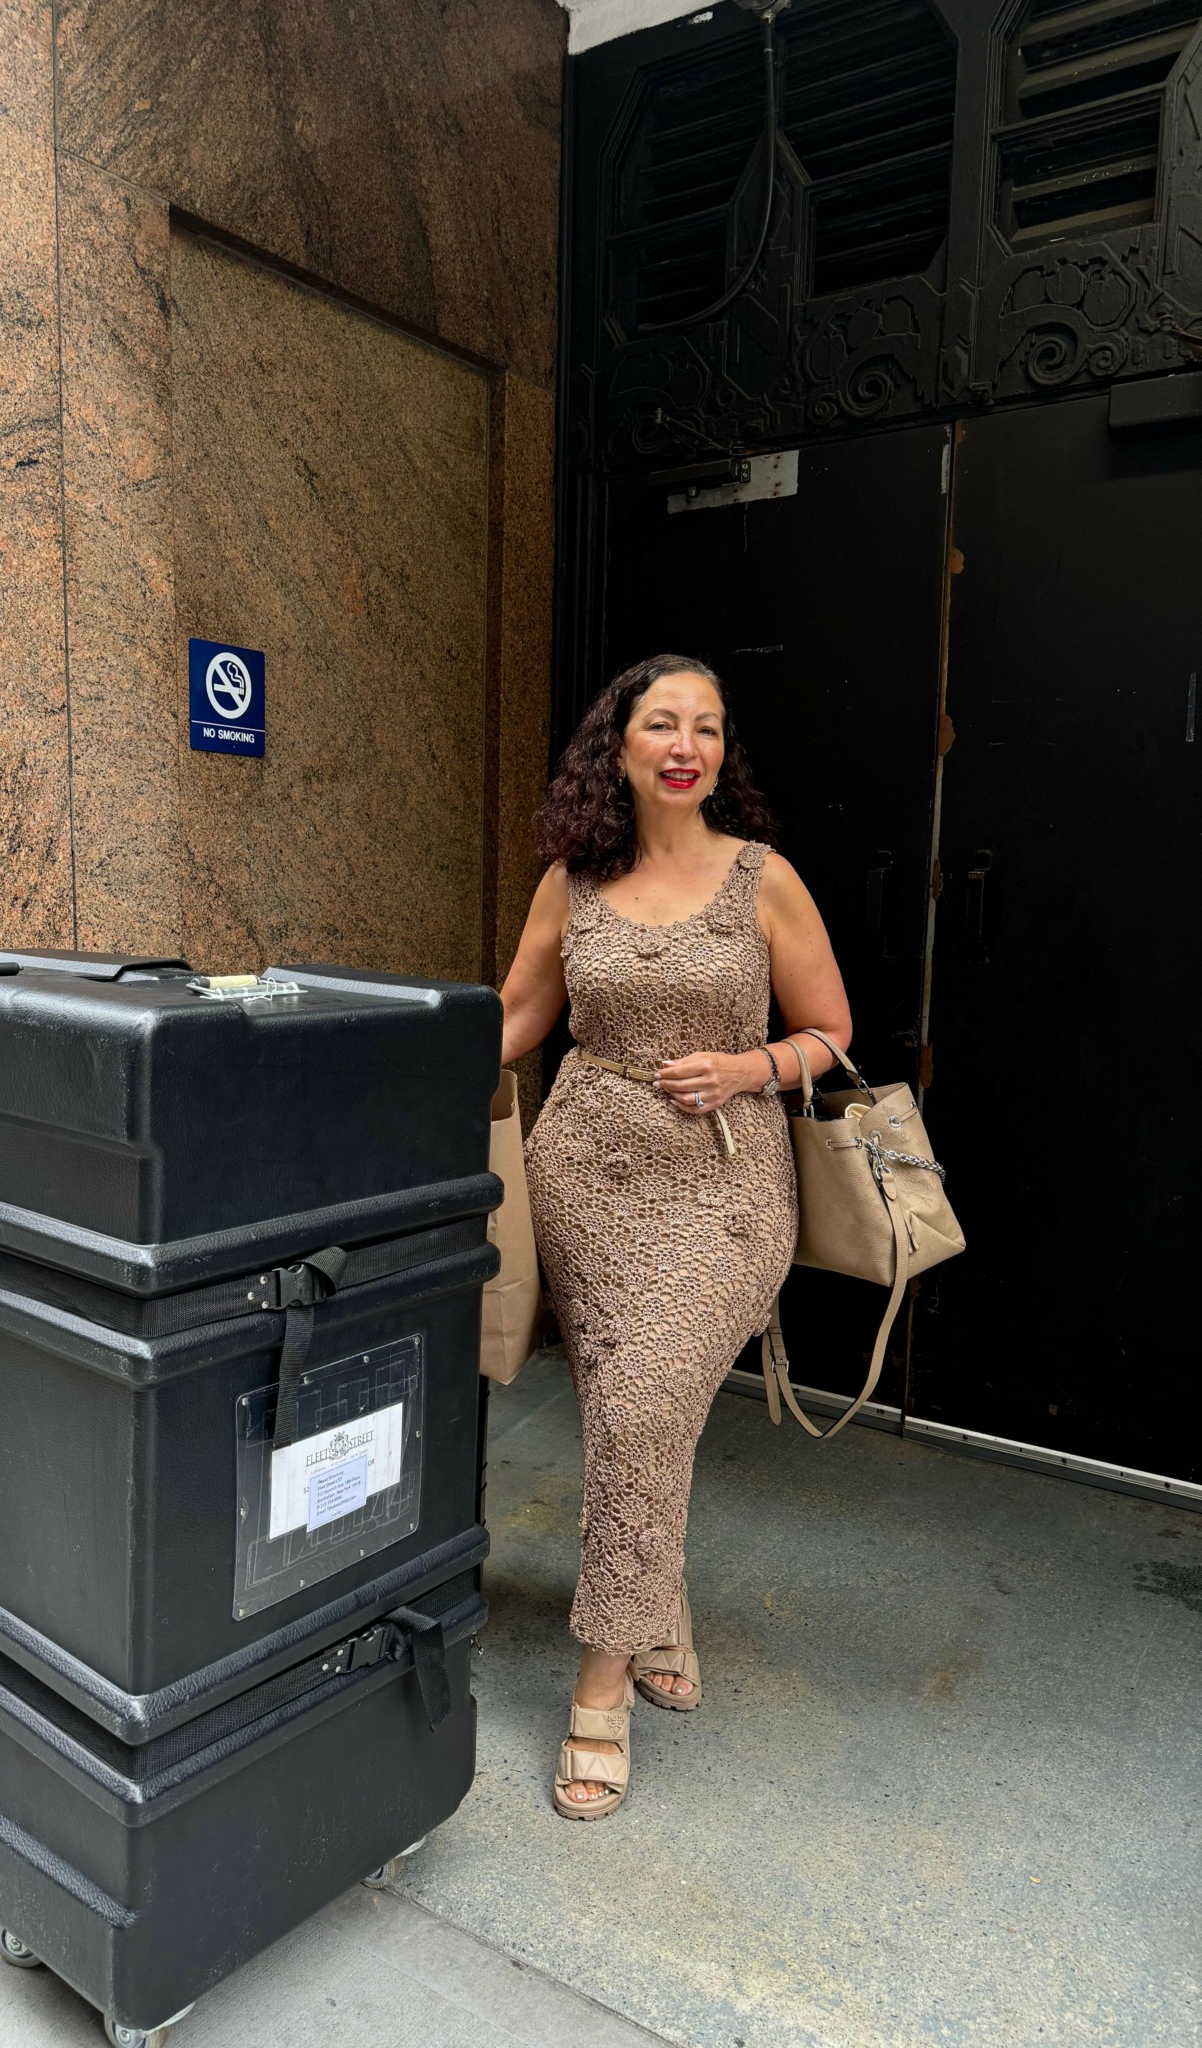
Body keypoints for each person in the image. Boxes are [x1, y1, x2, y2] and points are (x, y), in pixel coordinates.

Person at [499, 653, 852, 1821]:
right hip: (586, 1172)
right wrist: (380, 1054)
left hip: (725, 1184)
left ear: (721, 750)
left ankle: (599, 1687)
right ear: (621, 744)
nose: (686, 744)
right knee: (624, 1409)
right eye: (663, 723)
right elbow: (516, 1017)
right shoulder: (572, 881)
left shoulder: (764, 878)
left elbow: (831, 1031)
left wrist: (750, 1066)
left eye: (707, 725)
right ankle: (655, 1601)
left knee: (646, 1401)